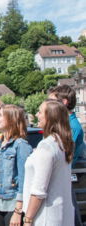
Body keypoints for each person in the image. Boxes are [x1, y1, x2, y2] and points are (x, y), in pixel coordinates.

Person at [22, 99, 74, 225]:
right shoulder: (63, 143)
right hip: (61, 213)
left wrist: (28, 219)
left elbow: (39, 190)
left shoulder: (47, 146)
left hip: (45, 216)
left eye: (40, 112)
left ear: (50, 117)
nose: (36, 115)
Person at [0, 104, 32, 226]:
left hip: (12, 206)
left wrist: (18, 211)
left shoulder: (21, 145)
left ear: (11, 119)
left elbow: (24, 180)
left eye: (0, 115)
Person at [48, 84, 84, 226]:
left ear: (64, 103)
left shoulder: (72, 127)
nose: (47, 105)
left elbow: (64, 157)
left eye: (51, 101)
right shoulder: (62, 125)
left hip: (62, 180)